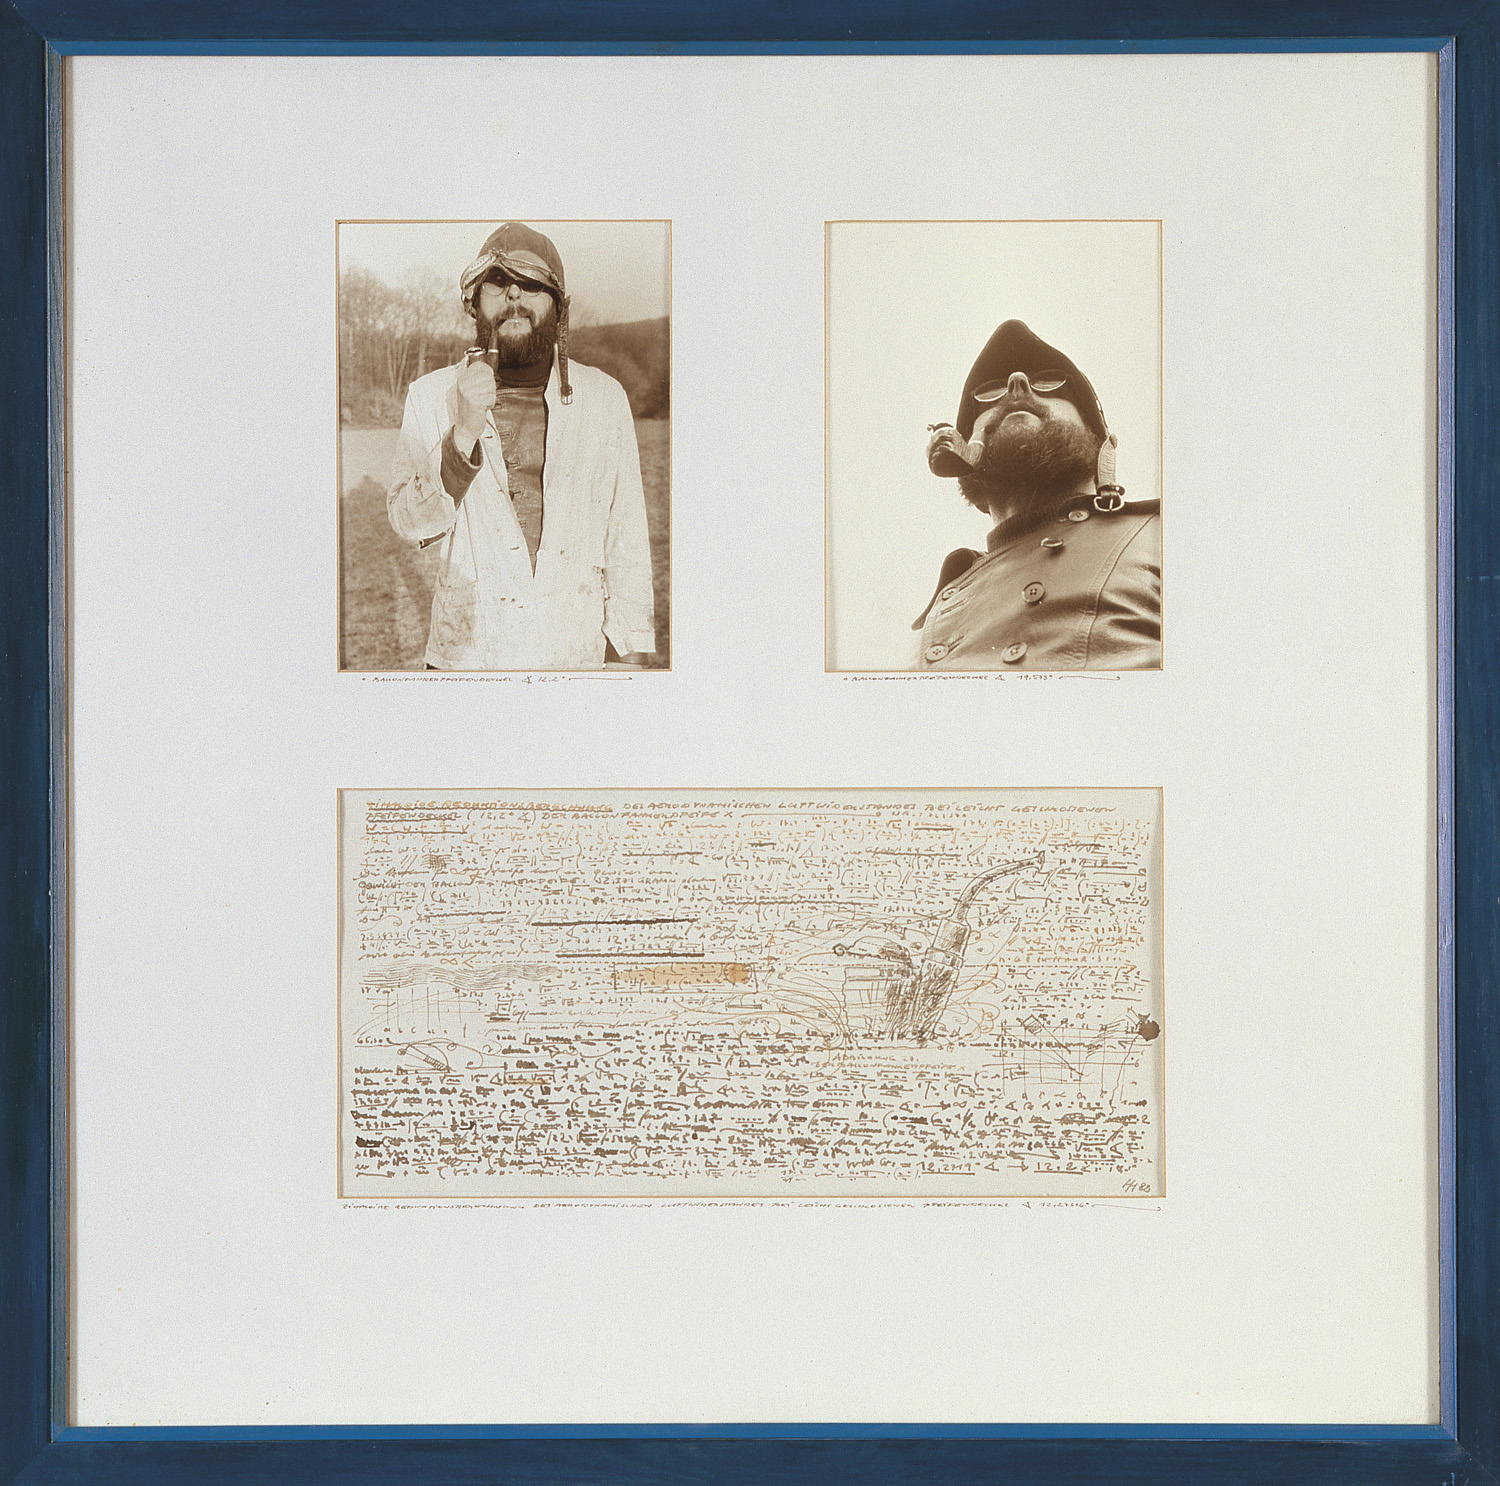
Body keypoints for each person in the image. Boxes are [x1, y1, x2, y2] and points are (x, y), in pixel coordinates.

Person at [387, 222, 655, 670]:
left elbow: (626, 538)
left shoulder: (604, 399)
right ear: (474, 304)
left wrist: (629, 654)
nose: (513, 294)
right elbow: (409, 523)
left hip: (573, 657)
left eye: (530, 282)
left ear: (559, 305)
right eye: (496, 281)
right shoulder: (431, 396)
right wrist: (462, 433)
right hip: (468, 660)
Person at [913, 319, 1160, 670]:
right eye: (990, 391)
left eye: (1049, 383)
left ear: (1100, 446)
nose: (1017, 383)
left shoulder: (1162, 535)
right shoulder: (933, 616)